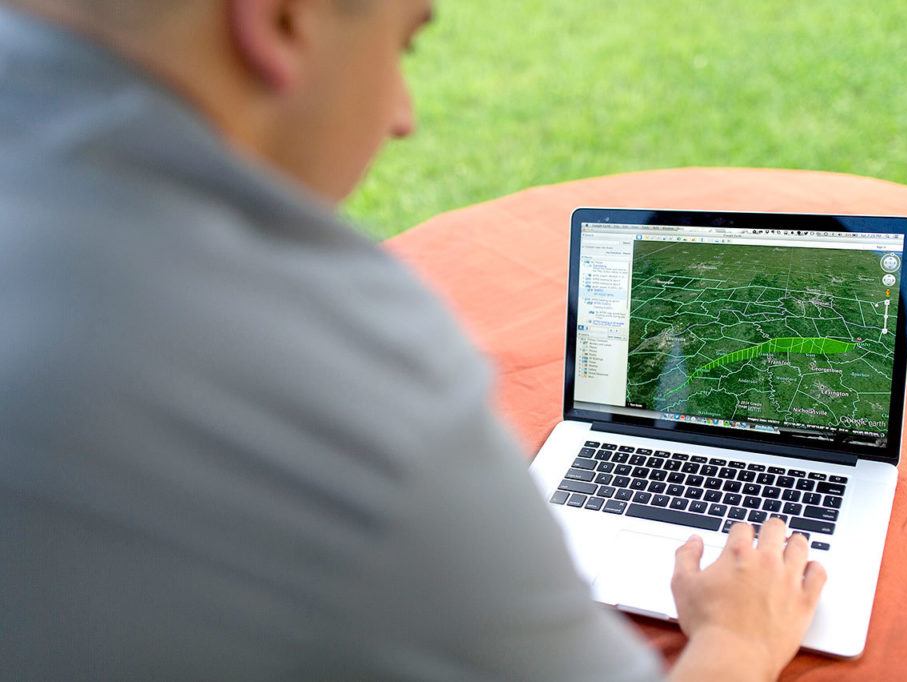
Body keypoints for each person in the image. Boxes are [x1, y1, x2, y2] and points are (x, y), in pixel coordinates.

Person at [0, 1, 826, 680]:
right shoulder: (347, 401)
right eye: (405, 43)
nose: (402, 116)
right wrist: (738, 641)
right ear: (284, 21)